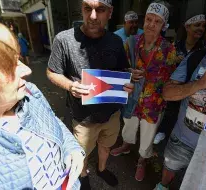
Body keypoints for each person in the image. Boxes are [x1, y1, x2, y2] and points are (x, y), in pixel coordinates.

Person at [46, 0, 134, 189]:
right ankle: (84, 174)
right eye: (88, 8)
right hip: (83, 117)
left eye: (100, 10)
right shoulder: (64, 39)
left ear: (109, 13)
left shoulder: (116, 41)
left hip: (111, 114)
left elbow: (122, 70)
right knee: (82, 152)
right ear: (82, 10)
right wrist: (70, 86)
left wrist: (128, 82)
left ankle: (102, 169)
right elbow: (51, 72)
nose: (93, 16)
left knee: (106, 145)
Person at [0, 21, 85, 190]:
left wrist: (72, 149)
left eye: (18, 60)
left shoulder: (29, 91)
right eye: (9, 66)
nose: (27, 70)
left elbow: (53, 121)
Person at [154, 2, 206, 189]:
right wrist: (200, 83)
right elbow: (167, 92)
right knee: (169, 167)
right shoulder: (195, 58)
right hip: (182, 140)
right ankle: (162, 185)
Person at [110, 1, 177, 182]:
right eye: (149, 19)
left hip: (153, 104)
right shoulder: (131, 42)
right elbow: (119, 67)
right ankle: (126, 145)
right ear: (143, 21)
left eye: (157, 21)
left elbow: (174, 78)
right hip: (132, 98)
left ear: (164, 26)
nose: (151, 24)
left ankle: (142, 160)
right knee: (129, 127)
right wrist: (127, 73)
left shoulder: (169, 50)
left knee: (148, 136)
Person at [154, 13, 206, 144]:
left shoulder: (205, 49)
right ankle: (163, 130)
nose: (201, 28)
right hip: (174, 85)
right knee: (170, 108)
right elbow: (162, 65)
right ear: (187, 27)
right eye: (197, 25)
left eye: (203, 26)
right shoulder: (175, 46)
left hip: (194, 88)